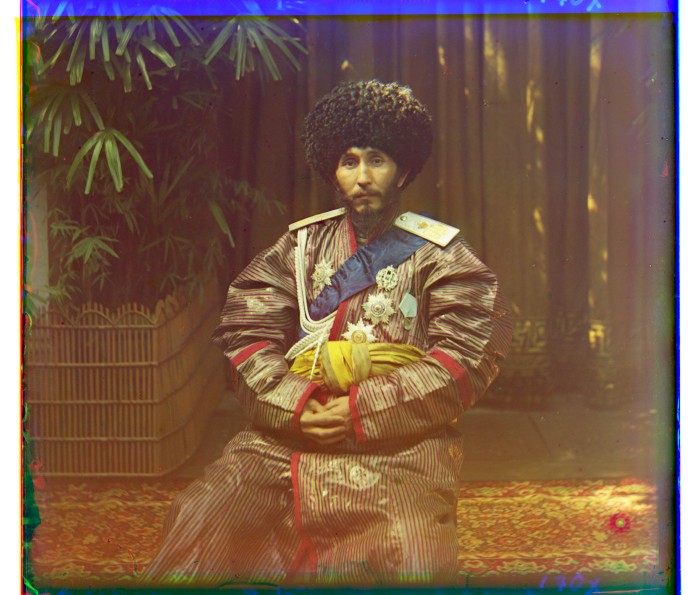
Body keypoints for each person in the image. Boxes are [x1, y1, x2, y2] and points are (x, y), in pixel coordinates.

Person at [139, 80, 512, 588]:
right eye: (349, 161)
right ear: (332, 171)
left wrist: (361, 409)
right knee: (203, 517)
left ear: (403, 169)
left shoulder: (441, 255)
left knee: (411, 549)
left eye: (377, 160)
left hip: (397, 447)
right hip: (286, 440)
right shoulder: (300, 246)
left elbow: (466, 353)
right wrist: (297, 403)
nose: (363, 177)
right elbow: (247, 332)